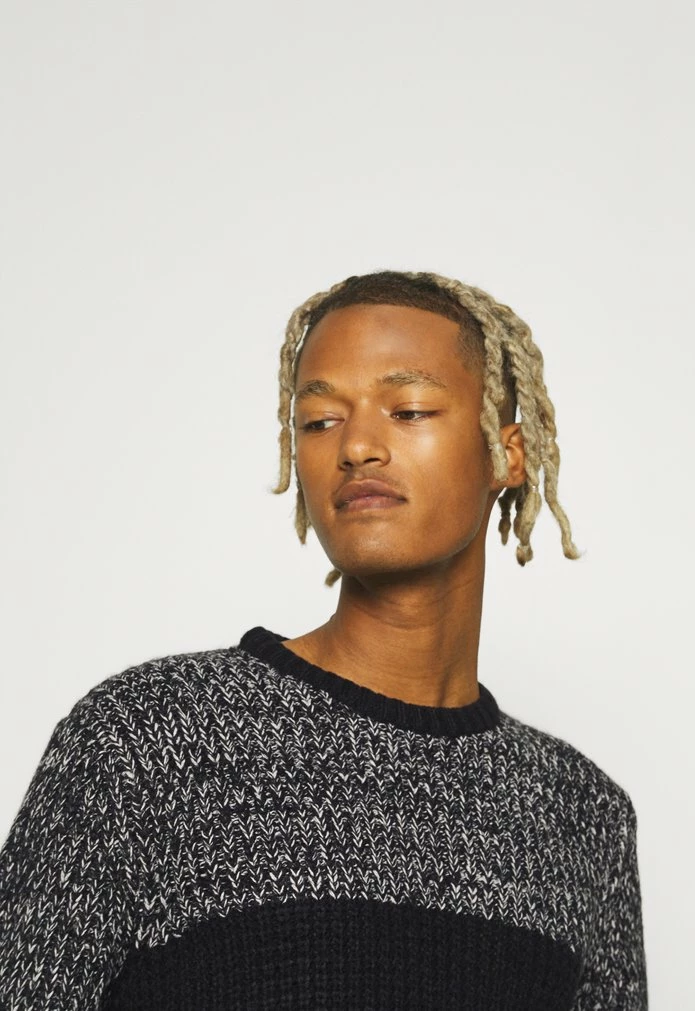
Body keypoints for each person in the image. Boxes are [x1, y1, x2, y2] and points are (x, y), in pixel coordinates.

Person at [0, 270, 647, 1009]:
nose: (358, 446)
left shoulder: (581, 816)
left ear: (509, 455)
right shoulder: (150, 741)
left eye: (408, 409)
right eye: (318, 421)